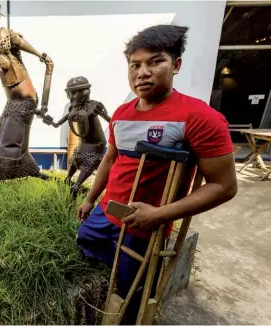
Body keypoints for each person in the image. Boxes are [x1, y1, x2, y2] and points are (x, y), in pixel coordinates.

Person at [76, 24, 237, 324]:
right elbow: (110, 161)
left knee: (131, 294)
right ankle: (117, 258)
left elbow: (224, 186)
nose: (142, 72)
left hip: (144, 222)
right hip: (109, 208)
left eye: (155, 61)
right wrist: (90, 199)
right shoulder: (122, 114)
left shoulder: (200, 117)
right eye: (135, 64)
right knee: (84, 239)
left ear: (176, 65)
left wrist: (160, 216)